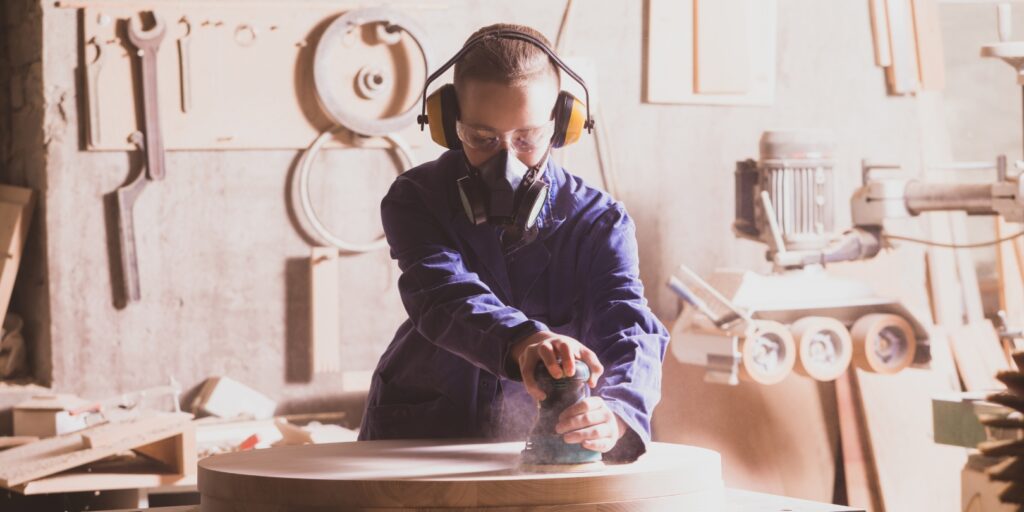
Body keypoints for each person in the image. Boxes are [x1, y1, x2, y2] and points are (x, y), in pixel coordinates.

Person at [358, 22, 668, 461]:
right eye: (482, 139)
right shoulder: (416, 198)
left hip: (542, 443)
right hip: (420, 428)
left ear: (562, 125)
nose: (506, 161)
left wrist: (618, 410)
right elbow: (441, 293)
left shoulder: (599, 222)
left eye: (527, 139)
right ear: (449, 123)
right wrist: (523, 340)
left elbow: (630, 325)